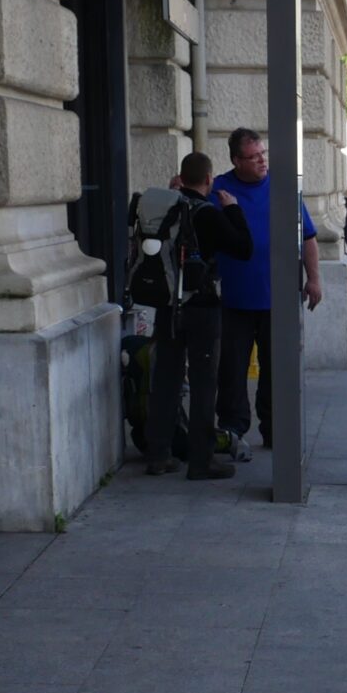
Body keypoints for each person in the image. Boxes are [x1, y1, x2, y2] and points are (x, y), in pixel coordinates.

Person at [141, 154, 254, 479]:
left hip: (167, 305)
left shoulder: (166, 208)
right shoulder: (207, 214)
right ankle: (202, 460)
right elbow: (243, 248)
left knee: (166, 380)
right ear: (209, 179)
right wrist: (232, 208)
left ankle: (158, 454)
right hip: (201, 307)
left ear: (179, 177)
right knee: (205, 384)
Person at [214, 127, 320, 454]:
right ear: (236, 160)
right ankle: (233, 429)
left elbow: (308, 238)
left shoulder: (283, 187)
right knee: (232, 370)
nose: (262, 161)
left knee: (276, 369)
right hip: (235, 299)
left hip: (279, 298)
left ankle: (274, 428)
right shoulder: (219, 189)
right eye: (254, 156)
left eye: (263, 154)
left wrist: (313, 279)